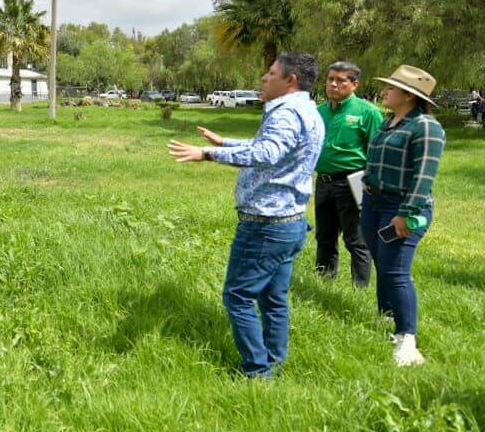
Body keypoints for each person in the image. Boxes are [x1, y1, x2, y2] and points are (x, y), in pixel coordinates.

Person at [168, 52, 325, 378]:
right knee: (274, 298)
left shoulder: (285, 113)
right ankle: (274, 362)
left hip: (265, 225)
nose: (264, 78)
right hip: (290, 222)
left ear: (290, 80)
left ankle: (257, 372)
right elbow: (273, 145)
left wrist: (207, 153)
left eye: (271, 73)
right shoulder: (307, 110)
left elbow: (266, 152)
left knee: (238, 297)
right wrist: (224, 140)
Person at [361, 65, 445, 367]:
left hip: (401, 208)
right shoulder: (388, 122)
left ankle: (407, 340)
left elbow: (424, 177)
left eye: (391, 88)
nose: (384, 91)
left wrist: (406, 215)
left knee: (396, 271)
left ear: (409, 95)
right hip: (372, 204)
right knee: (382, 264)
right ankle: (387, 320)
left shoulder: (426, 127)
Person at [313, 62, 382, 288]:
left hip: (352, 182)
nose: (333, 84)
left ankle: (359, 288)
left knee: (356, 240)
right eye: (330, 79)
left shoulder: (368, 112)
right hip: (323, 181)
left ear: (354, 84)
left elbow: (377, 152)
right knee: (324, 237)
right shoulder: (318, 112)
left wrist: (371, 186)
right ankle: (323, 282)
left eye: (341, 80)